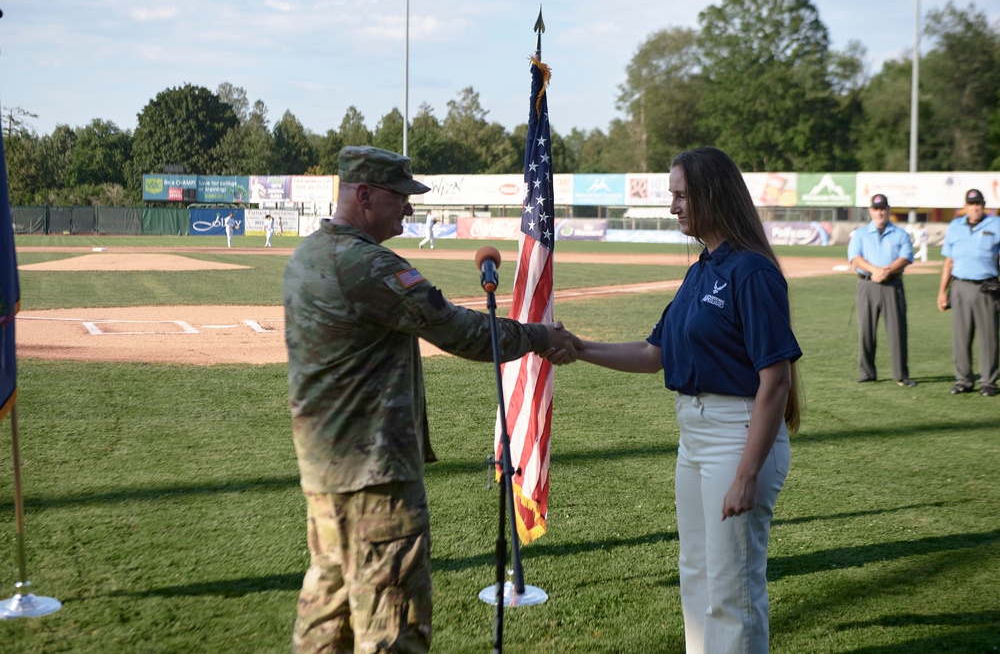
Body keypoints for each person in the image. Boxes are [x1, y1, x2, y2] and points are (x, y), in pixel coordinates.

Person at [282, 145, 580, 654]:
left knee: (326, 617)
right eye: (401, 196)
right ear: (365, 194)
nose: (410, 209)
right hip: (375, 477)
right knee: (390, 623)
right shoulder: (366, 264)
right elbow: (458, 330)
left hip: (326, 469)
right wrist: (537, 336)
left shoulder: (308, 255)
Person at [555, 146, 801, 654]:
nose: (673, 207)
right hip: (695, 437)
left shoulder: (752, 273)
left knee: (732, 588)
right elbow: (654, 353)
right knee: (698, 579)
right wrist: (581, 349)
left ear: (712, 195)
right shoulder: (700, 270)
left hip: (738, 437)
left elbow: (775, 381)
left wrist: (747, 473)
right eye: (673, 195)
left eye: (681, 195)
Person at [847, 194, 916, 387]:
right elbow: (855, 257)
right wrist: (875, 270)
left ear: (888, 210)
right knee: (866, 331)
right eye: (876, 208)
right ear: (870, 210)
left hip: (892, 284)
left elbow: (906, 257)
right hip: (866, 284)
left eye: (883, 208)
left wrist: (886, 271)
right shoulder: (860, 233)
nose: (880, 212)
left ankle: (901, 374)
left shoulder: (900, 233)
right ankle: (867, 372)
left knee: (897, 331)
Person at [937, 188, 1000, 396]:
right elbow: (949, 261)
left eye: (979, 203)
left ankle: (988, 382)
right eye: (971, 204)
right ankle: (963, 380)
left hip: (987, 287)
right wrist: (942, 292)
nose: (975, 207)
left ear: (984, 205)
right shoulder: (955, 226)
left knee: (989, 337)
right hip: (960, 286)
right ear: (965, 206)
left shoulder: (996, 224)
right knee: (961, 336)